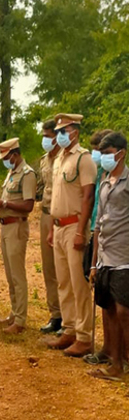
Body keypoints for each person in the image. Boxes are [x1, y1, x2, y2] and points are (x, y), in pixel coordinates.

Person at [44, 113, 97, 356]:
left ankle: (85, 336)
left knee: (78, 283)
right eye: (58, 132)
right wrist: (53, 229)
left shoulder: (83, 159)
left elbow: (88, 197)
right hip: (58, 226)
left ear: (75, 132)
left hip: (75, 225)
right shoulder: (59, 160)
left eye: (64, 131)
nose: (60, 136)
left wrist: (80, 231)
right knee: (64, 281)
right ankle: (69, 329)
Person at [0, 138, 36, 334]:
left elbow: (29, 205)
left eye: (7, 157)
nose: (5, 160)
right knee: (9, 274)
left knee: (17, 274)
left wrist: (4, 204)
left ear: (15, 154)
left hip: (17, 227)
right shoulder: (11, 174)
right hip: (6, 227)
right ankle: (15, 313)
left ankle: (21, 320)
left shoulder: (27, 174)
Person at [89, 132, 129, 381]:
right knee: (111, 310)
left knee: (125, 310)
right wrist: (93, 263)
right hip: (105, 256)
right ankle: (116, 364)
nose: (104, 158)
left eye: (107, 153)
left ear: (120, 153)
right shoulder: (104, 181)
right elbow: (97, 225)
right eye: (102, 154)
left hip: (125, 256)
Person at [83, 129, 113, 365]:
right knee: (102, 295)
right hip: (97, 234)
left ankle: (118, 351)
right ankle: (108, 347)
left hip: (114, 243)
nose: (98, 155)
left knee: (116, 303)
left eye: (102, 151)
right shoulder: (102, 174)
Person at [36, 120, 63, 334]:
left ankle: (68, 317)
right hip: (45, 215)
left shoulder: (65, 159)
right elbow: (41, 188)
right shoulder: (44, 161)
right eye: (44, 135)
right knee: (48, 269)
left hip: (62, 217)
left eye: (48, 135)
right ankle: (56, 314)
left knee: (64, 269)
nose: (45, 139)